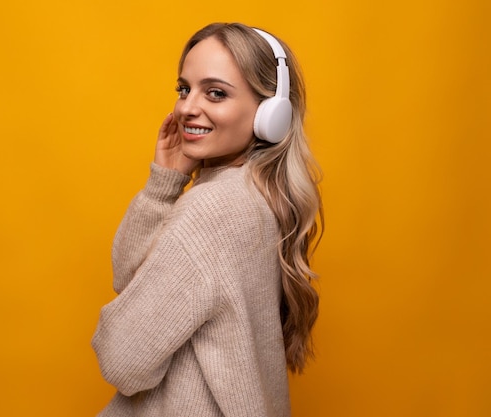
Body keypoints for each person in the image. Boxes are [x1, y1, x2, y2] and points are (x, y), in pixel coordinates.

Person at [92, 22, 323, 416]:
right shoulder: (259, 197)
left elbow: (122, 360)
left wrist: (120, 326)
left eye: (215, 93)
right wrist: (163, 185)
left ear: (271, 113)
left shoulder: (213, 211)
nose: (186, 108)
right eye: (184, 89)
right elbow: (130, 278)